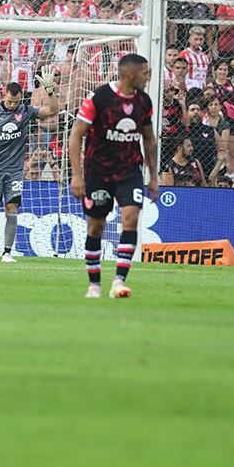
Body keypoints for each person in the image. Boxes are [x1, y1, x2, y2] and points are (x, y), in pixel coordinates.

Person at [68, 53, 158, 300]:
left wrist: (153, 176)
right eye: (145, 72)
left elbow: (149, 140)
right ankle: (94, 284)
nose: (148, 76)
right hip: (98, 172)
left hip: (130, 171)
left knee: (130, 218)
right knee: (96, 226)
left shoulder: (144, 102)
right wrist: (77, 176)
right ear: (130, 74)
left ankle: (119, 281)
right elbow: (76, 136)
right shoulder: (100, 97)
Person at [0, 76, 60, 262]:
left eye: (15, 102)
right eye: (9, 101)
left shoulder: (25, 111)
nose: (12, 105)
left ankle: (7, 252)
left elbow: (52, 110)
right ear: (4, 95)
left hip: (15, 169)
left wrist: (50, 91)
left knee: (12, 208)